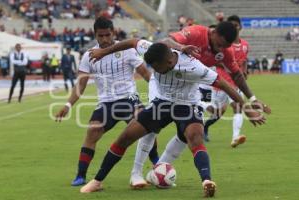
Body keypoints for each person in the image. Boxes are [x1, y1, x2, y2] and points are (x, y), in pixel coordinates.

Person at [83, 39, 265, 197]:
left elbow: (225, 85)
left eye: (156, 67)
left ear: (170, 61)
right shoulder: (154, 50)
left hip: (187, 105)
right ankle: (97, 181)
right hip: (161, 103)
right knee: (126, 136)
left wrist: (247, 109)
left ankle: (207, 181)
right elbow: (132, 42)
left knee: (195, 137)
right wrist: (103, 52)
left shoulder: (193, 67)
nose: (153, 71)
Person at [122, 21, 272, 186]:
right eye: (220, 44)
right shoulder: (196, 32)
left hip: (190, 87)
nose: (221, 49)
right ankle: (135, 174)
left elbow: (237, 75)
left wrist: (252, 99)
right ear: (215, 33)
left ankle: (158, 170)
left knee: (188, 132)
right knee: (152, 126)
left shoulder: (225, 51)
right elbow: (167, 40)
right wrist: (180, 46)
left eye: (225, 47)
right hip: (161, 82)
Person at [55, 17, 151, 187]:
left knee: (145, 129)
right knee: (92, 132)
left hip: (129, 98)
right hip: (106, 103)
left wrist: (159, 92)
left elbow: (145, 73)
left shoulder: (128, 49)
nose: (105, 39)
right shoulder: (88, 55)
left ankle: (158, 165)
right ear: (95, 35)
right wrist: (68, 105)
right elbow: (81, 84)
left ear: (113, 32)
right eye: (101, 36)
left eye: (108, 35)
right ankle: (81, 175)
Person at [203, 15, 251, 146]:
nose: (235, 27)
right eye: (232, 25)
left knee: (237, 106)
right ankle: (202, 118)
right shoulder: (222, 45)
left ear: (240, 27)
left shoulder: (245, 45)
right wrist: (229, 66)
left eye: (236, 25)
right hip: (222, 82)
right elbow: (216, 61)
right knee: (217, 112)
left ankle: (235, 137)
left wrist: (244, 70)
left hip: (235, 83)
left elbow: (244, 59)